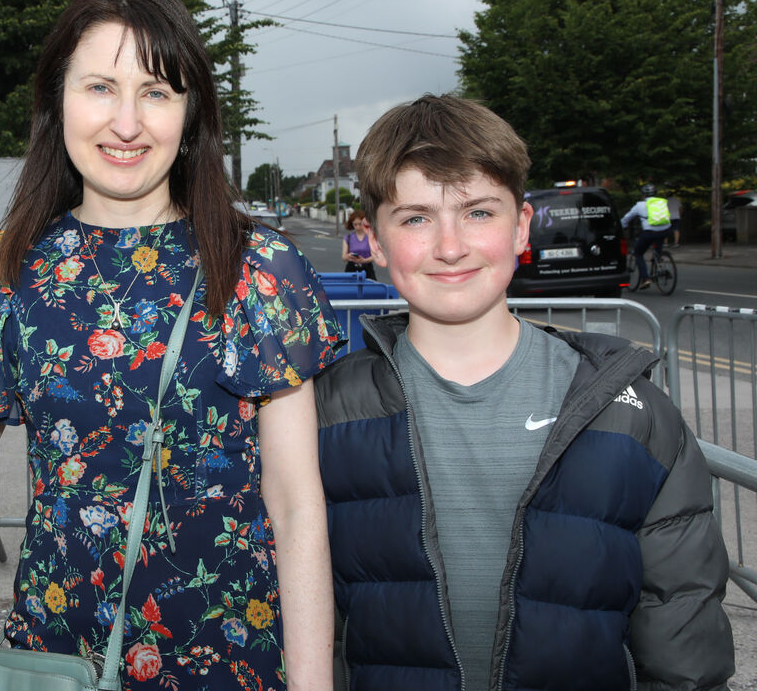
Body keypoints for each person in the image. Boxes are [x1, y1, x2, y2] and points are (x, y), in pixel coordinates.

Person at [0, 0, 342, 690]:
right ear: (57, 104)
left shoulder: (258, 269)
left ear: (191, 117)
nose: (127, 122)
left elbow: (297, 505)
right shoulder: (5, 274)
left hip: (233, 665)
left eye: (156, 92)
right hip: (59, 664)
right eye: (99, 88)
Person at [314, 94, 733, 691]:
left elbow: (683, 651)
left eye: (479, 212)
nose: (451, 246)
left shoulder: (633, 418)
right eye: (415, 218)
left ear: (521, 228)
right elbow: (304, 638)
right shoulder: (322, 417)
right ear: (374, 242)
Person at [621, 184, 672, 290]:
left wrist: (622, 226)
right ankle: (661, 267)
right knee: (657, 252)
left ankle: (645, 278)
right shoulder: (661, 202)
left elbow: (627, 218)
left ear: (643, 195)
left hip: (650, 232)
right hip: (665, 231)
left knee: (638, 253)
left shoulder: (639, 205)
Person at [341, 208, 377, 279]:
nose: (358, 227)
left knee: (371, 289)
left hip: (367, 270)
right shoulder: (348, 238)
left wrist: (365, 260)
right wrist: (349, 256)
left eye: (360, 224)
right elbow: (344, 257)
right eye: (355, 224)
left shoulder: (371, 237)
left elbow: (375, 255)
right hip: (351, 270)